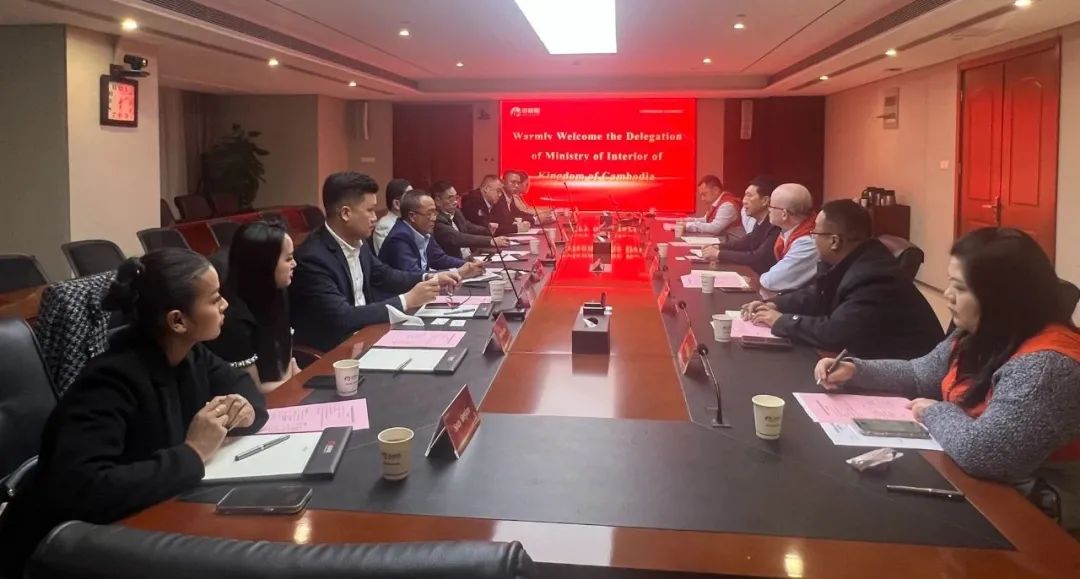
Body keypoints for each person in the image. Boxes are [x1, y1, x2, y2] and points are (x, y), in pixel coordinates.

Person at [0, 249, 269, 577]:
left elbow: (244, 388)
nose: (225, 304)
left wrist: (246, 411)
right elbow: (82, 489)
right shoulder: (110, 382)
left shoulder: (191, 354)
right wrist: (193, 452)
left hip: (143, 517)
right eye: (214, 299)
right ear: (178, 321)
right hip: (55, 551)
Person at [816, 228, 1080, 538]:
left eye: (960, 288)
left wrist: (934, 411)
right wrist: (856, 370)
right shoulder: (984, 331)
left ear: (1002, 296)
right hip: (971, 481)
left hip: (1034, 516)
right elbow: (920, 374)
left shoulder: (1046, 366)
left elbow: (987, 455)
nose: (947, 295)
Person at [741, 200, 943, 359]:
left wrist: (781, 321)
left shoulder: (873, 277)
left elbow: (835, 334)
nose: (813, 238)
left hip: (903, 379)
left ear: (834, 241)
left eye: (815, 233)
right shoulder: (851, 259)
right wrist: (775, 304)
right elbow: (817, 295)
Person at [290, 172, 457, 352]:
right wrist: (407, 300)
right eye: (369, 210)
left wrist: (430, 277)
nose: (375, 217)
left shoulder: (358, 242)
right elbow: (342, 317)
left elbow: (385, 275)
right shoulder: (313, 258)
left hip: (369, 334)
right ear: (345, 213)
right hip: (336, 350)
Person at [206, 221, 300, 393]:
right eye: (288, 259)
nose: (295, 264)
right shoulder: (232, 318)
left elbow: (286, 360)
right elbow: (252, 391)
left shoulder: (279, 290)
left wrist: (294, 379)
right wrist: (298, 383)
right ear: (264, 265)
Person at [379, 189, 485, 278]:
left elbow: (439, 258)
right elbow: (414, 276)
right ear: (412, 216)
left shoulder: (423, 231)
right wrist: (458, 273)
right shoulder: (398, 238)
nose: (434, 218)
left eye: (435, 212)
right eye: (429, 213)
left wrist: (467, 265)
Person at [702, 175, 781, 274]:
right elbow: (746, 242)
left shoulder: (775, 226)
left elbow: (758, 258)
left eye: (749, 196)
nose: (744, 201)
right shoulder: (760, 222)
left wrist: (719, 254)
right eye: (745, 196)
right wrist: (718, 247)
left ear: (765, 200)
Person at [758, 183, 818, 297]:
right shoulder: (789, 231)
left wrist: (762, 276)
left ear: (784, 214)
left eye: (771, 206)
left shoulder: (808, 242)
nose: (768, 209)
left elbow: (772, 281)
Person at [432, 180, 509, 259]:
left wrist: (487, 230)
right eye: (451, 198)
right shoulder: (436, 220)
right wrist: (490, 241)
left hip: (472, 255)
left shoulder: (456, 212)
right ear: (438, 201)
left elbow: (468, 226)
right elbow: (457, 238)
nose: (455, 202)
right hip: (458, 261)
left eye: (456, 197)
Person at [682, 175, 744, 242]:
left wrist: (687, 226)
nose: (702, 199)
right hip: (723, 240)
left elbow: (714, 228)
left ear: (716, 190)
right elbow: (706, 220)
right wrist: (685, 220)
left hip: (732, 243)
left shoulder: (727, 205)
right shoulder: (717, 202)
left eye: (704, 194)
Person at [372, 178, 412, 253]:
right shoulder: (385, 226)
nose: (415, 201)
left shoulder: (409, 221)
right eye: (409, 197)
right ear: (397, 204)